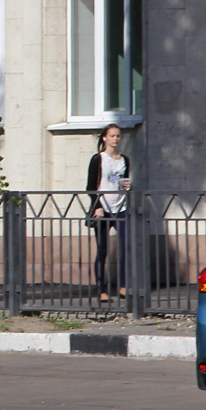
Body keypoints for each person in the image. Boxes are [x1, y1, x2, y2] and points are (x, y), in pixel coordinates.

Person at [87, 123, 132, 304]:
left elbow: (124, 181)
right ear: (105, 138)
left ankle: (123, 286)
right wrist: (97, 205)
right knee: (103, 250)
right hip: (103, 208)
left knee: (125, 247)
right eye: (112, 135)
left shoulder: (124, 160)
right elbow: (91, 187)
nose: (115, 139)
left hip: (121, 207)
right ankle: (102, 290)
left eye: (118, 136)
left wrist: (128, 187)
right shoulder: (98, 159)